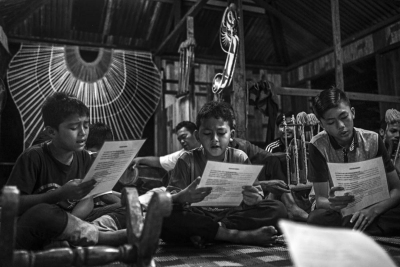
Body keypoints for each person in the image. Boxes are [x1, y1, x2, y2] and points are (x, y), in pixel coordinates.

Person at [6, 92, 127, 250]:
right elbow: (13, 206)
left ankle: (70, 238)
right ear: (51, 132)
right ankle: (100, 237)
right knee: (42, 212)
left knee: (127, 208)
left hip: (69, 221)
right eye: (74, 127)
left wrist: (70, 222)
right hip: (34, 228)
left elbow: (87, 199)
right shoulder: (33, 157)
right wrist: (61, 194)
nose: (83, 133)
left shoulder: (84, 157)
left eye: (86, 125)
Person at [160, 101, 287, 247]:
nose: (214, 139)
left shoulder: (239, 157)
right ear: (197, 135)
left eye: (221, 133)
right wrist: (182, 196)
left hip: (229, 218)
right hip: (198, 217)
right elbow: (168, 201)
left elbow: (256, 196)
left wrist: (254, 199)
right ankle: (238, 236)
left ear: (231, 135)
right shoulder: (186, 160)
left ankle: (211, 234)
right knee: (165, 217)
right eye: (207, 133)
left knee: (278, 209)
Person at [307, 87, 400, 236]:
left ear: (353, 112)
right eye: (331, 122)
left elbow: (397, 189)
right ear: (322, 124)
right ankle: (366, 228)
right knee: (317, 219)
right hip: (338, 211)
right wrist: (335, 203)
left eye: (344, 117)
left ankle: (356, 227)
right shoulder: (318, 145)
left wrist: (373, 211)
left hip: (373, 207)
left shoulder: (373, 139)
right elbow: (320, 200)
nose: (341, 126)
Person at [132, 121, 200, 171]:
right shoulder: (182, 155)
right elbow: (159, 161)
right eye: (179, 139)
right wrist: (140, 159)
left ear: (195, 134)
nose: (182, 141)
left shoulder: (208, 148)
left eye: (184, 137)